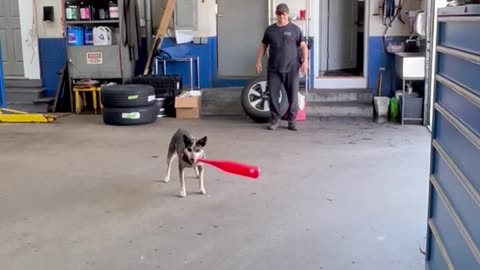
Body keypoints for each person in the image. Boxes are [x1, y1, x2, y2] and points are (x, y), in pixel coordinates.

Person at [255, 3, 309, 131]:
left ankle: (292, 120)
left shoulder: (295, 29)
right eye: (279, 14)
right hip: (274, 68)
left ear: (288, 14)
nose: (281, 16)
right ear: (276, 15)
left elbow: (303, 46)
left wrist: (305, 62)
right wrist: (258, 61)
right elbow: (263, 46)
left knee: (292, 95)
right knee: (273, 95)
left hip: (292, 67)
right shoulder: (270, 30)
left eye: (284, 14)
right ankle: (275, 119)